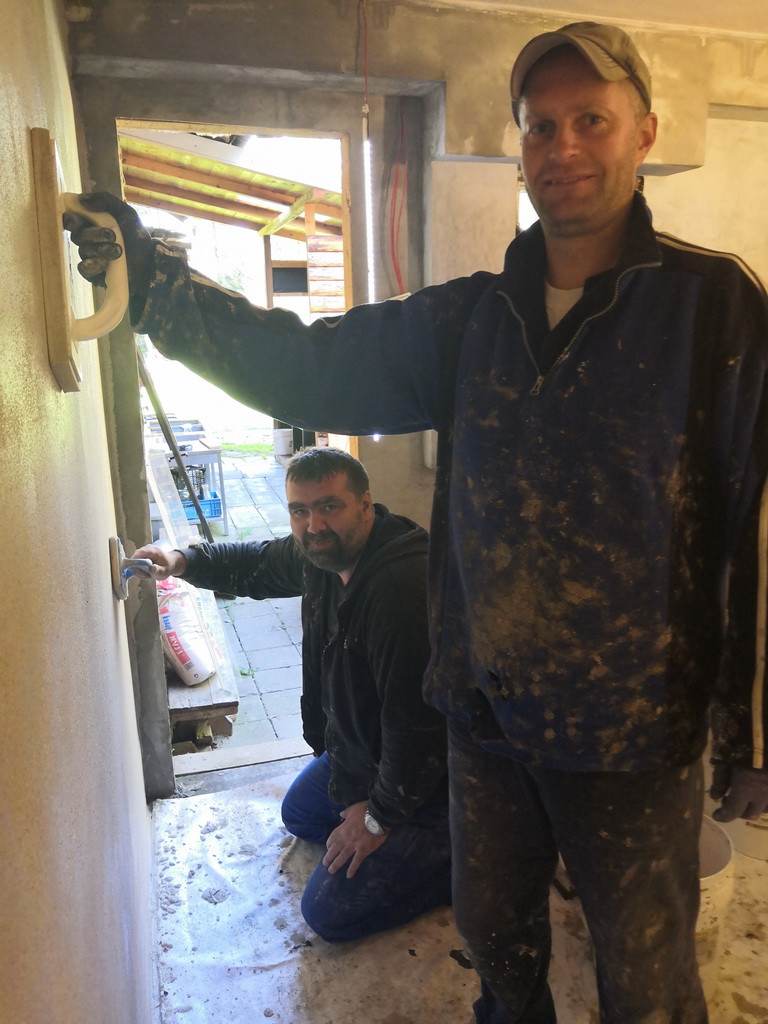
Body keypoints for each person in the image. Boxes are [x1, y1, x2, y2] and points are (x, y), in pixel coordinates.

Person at [69, 20, 768, 1022]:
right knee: (496, 936)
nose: (562, 146)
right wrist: (154, 289)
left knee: (645, 976)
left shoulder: (714, 306)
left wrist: (751, 724)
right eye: (540, 126)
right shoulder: (473, 318)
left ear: (644, 133)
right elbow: (307, 364)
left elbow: (755, 518)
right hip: (485, 712)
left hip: (630, 729)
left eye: (591, 120)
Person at [134, 447, 451, 943]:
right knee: (300, 812)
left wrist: (377, 817)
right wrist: (178, 561)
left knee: (328, 913)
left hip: (435, 776)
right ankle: (393, 829)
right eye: (299, 510)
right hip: (369, 751)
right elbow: (256, 562)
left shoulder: (400, 591)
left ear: (365, 505)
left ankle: (453, 855)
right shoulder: (322, 557)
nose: (313, 526)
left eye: (330, 506)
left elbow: (419, 731)